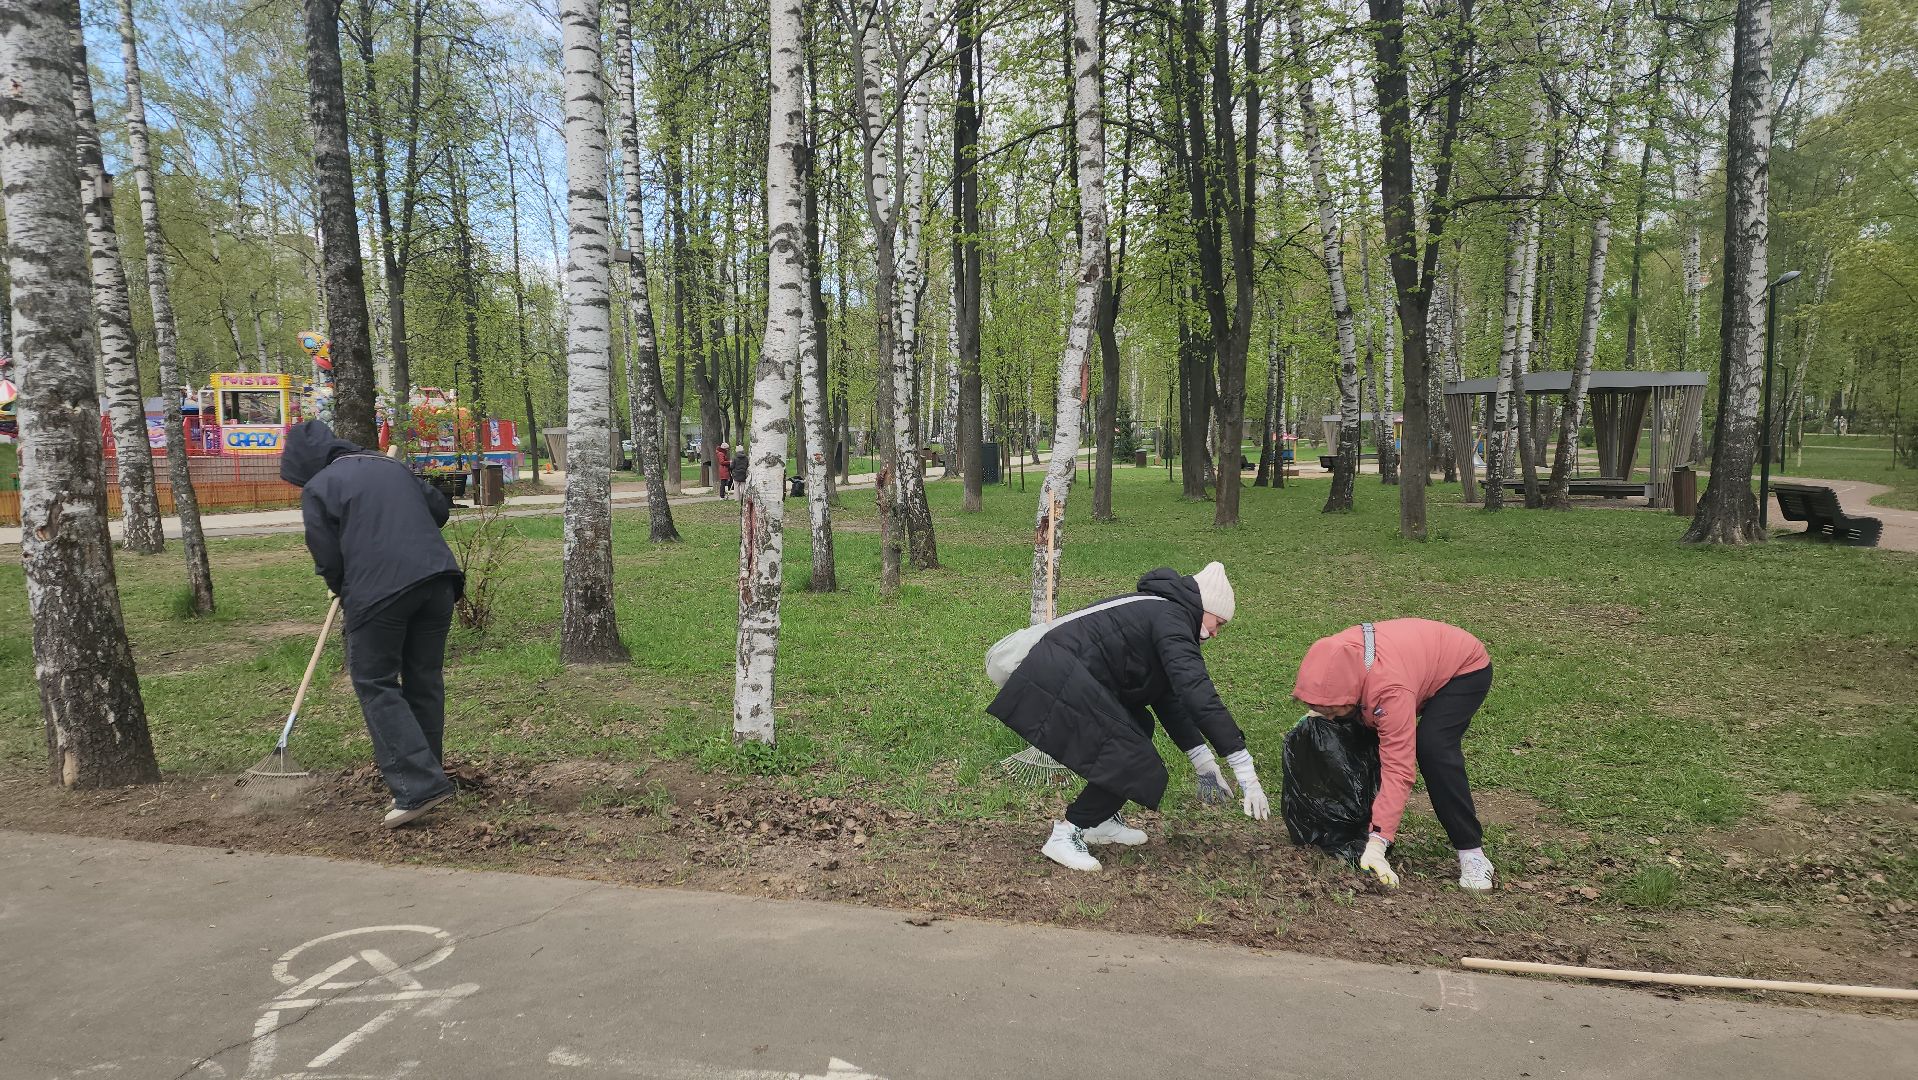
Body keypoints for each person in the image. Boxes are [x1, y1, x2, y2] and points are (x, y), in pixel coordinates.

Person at [988, 563, 1269, 872]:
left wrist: (1203, 761)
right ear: (1205, 607)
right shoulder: (1171, 617)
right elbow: (1197, 693)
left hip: (1062, 670)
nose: (1216, 633)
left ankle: (1100, 821)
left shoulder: (1163, 612)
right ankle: (1067, 833)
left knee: (1139, 726)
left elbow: (1169, 698)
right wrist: (1245, 770)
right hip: (1052, 673)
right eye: (1218, 623)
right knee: (1131, 758)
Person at [281, 420, 465, 829]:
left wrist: (339, 587)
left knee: (375, 680)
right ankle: (428, 773)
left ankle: (418, 786)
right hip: (438, 583)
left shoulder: (320, 487)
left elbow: (327, 555)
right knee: (424, 678)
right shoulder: (389, 466)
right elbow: (438, 510)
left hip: (381, 592)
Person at [1292, 619, 1495, 891]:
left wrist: (1378, 841)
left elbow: (1398, 768)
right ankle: (1354, 830)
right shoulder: (1332, 655)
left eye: (1331, 708)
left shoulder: (1390, 692)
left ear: (1352, 693)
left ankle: (1473, 855)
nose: (1326, 713)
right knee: (1346, 730)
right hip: (1407, 665)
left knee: (1433, 747)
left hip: (1462, 668)